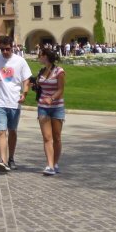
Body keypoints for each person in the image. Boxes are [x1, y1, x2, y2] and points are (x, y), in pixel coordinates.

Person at [0, 35, 32, 172]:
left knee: (12, 131)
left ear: (12, 47)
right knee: (0, 131)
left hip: (14, 101)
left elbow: (26, 79)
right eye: (2, 49)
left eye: (7, 49)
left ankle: (11, 158)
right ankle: (3, 161)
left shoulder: (20, 61)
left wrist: (24, 93)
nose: (5, 51)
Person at [35, 46, 66, 175]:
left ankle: (55, 163)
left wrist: (52, 98)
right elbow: (39, 87)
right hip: (43, 107)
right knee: (47, 137)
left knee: (57, 137)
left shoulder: (59, 71)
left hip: (57, 107)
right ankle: (50, 165)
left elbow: (61, 89)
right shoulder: (41, 71)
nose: (38, 58)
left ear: (45, 57)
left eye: (40, 55)